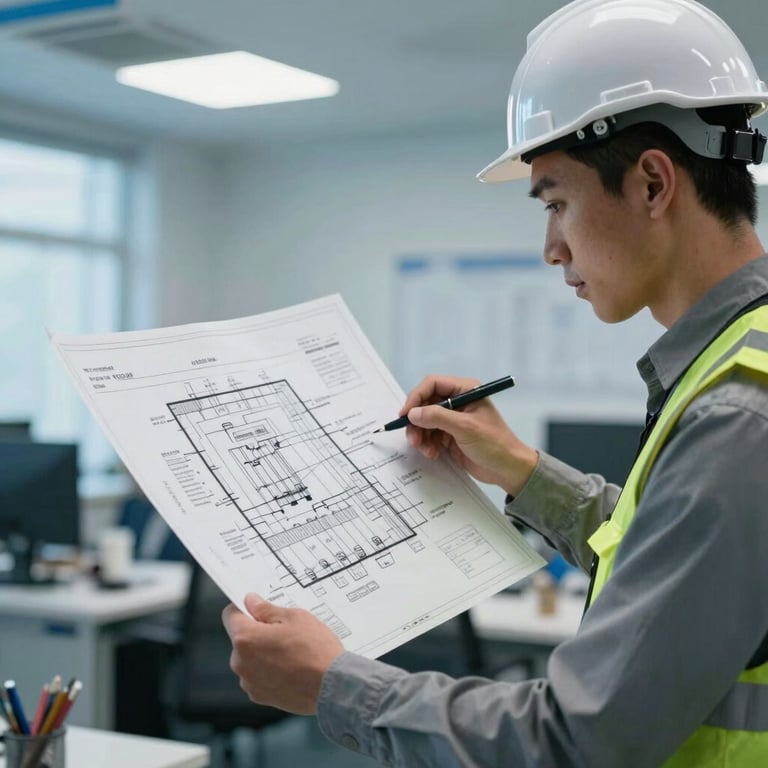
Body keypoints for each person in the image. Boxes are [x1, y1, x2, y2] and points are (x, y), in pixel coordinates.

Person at [221, 0, 768, 765]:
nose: (551, 248)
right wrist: (520, 470)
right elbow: (667, 556)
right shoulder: (743, 362)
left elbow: (577, 740)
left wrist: (333, 685)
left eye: (556, 203)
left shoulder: (740, 414)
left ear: (651, 183)